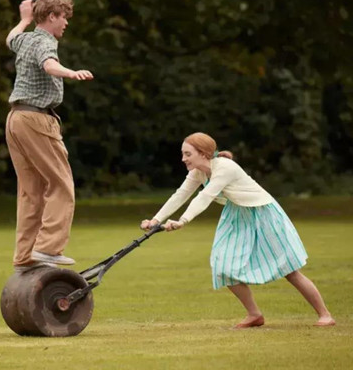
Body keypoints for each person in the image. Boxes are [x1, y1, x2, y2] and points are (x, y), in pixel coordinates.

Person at [141, 132, 335, 328]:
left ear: (204, 153)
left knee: (289, 270)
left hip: (263, 212)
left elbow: (205, 196)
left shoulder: (225, 168)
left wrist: (183, 220)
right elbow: (180, 195)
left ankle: (325, 315)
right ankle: (254, 315)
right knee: (223, 266)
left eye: (187, 154)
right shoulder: (198, 171)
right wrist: (155, 219)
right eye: (183, 154)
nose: (183, 159)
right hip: (237, 214)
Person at [5, 0, 93, 273]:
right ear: (52, 16)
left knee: (31, 191)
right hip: (36, 119)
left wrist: (24, 20)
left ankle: (25, 256)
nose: (66, 22)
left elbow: (10, 39)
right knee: (61, 185)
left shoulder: (27, 38)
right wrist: (70, 72)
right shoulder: (44, 41)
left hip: (16, 118)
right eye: (63, 16)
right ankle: (48, 248)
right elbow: (48, 64)